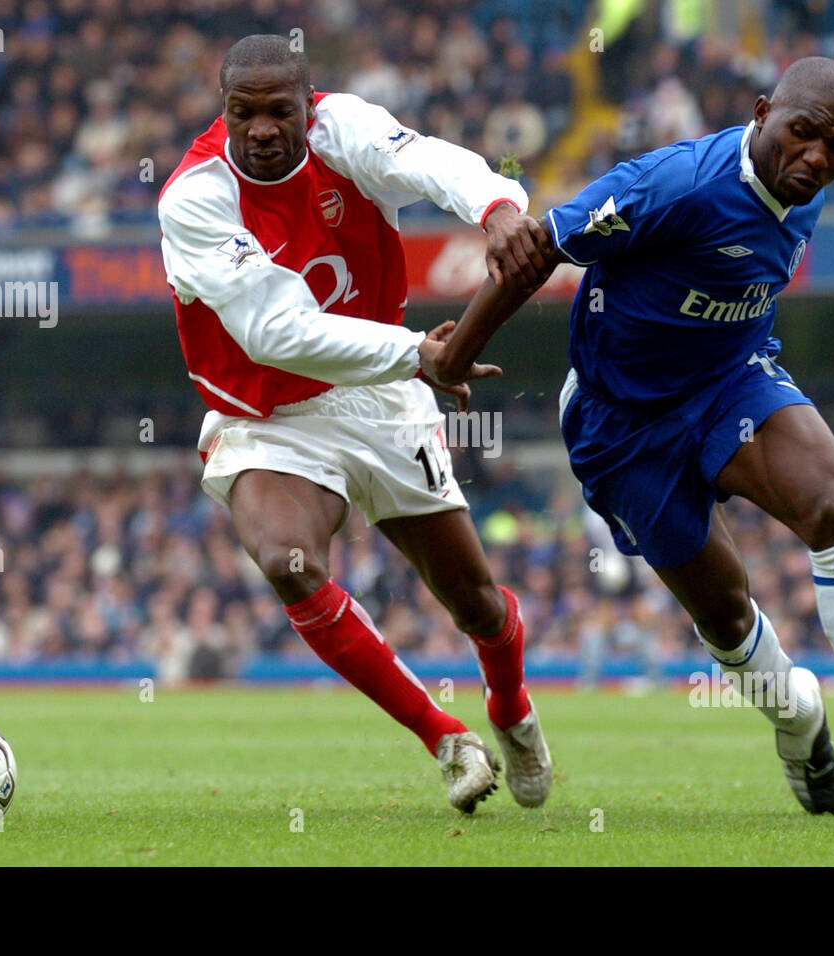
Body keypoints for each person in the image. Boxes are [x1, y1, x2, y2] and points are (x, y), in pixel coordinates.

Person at [423, 56, 834, 825]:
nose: (817, 160)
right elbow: (532, 252)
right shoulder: (675, 184)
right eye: (803, 135)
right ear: (763, 113)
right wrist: (456, 357)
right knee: (727, 618)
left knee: (831, 503)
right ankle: (797, 719)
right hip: (622, 425)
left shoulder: (807, 191)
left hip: (733, 380)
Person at [157, 35, 552, 813]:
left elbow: (429, 162)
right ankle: (447, 738)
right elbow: (277, 332)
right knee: (288, 559)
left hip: (379, 398)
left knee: (473, 601)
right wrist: (418, 354)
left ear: (309, 104)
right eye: (244, 113)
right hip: (275, 413)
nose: (262, 129)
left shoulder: (347, 131)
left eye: (279, 111)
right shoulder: (194, 197)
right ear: (224, 110)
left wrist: (499, 208)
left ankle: (509, 708)